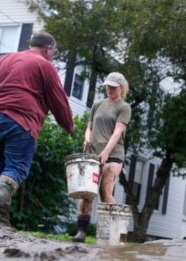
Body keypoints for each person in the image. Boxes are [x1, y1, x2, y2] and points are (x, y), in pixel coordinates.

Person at [0, 31, 75, 228]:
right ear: (48, 49)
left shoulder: (5, 59)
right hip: (20, 120)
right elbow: (58, 98)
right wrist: (69, 125)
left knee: (3, 169)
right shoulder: (44, 65)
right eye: (53, 51)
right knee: (17, 168)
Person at [72, 72, 132, 243]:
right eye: (107, 86)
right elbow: (89, 127)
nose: (109, 89)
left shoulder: (124, 107)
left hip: (113, 155)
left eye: (113, 87)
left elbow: (117, 132)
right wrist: (87, 137)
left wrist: (106, 152)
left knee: (105, 191)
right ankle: (81, 231)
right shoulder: (98, 105)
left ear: (121, 88)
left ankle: (112, 234)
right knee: (86, 192)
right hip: (93, 153)